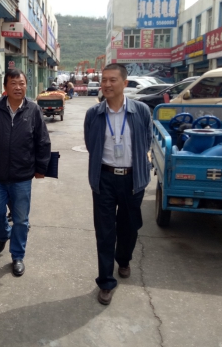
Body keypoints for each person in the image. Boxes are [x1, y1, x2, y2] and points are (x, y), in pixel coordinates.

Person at [83, 63, 152, 306]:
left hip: (133, 178)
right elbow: (91, 144)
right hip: (104, 178)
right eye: (104, 80)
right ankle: (106, 281)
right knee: (104, 231)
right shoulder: (94, 114)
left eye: (113, 80)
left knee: (129, 226)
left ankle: (123, 259)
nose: (107, 84)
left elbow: (146, 140)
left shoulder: (141, 111)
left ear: (125, 83)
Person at [0, 69, 51, 277]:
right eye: (13, 83)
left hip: (22, 177)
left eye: (22, 83)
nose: (18, 87)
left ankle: (17, 256)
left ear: (26, 86)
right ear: (5, 87)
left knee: (21, 219)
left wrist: (41, 168)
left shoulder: (33, 110)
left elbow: (43, 141)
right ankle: (3, 235)